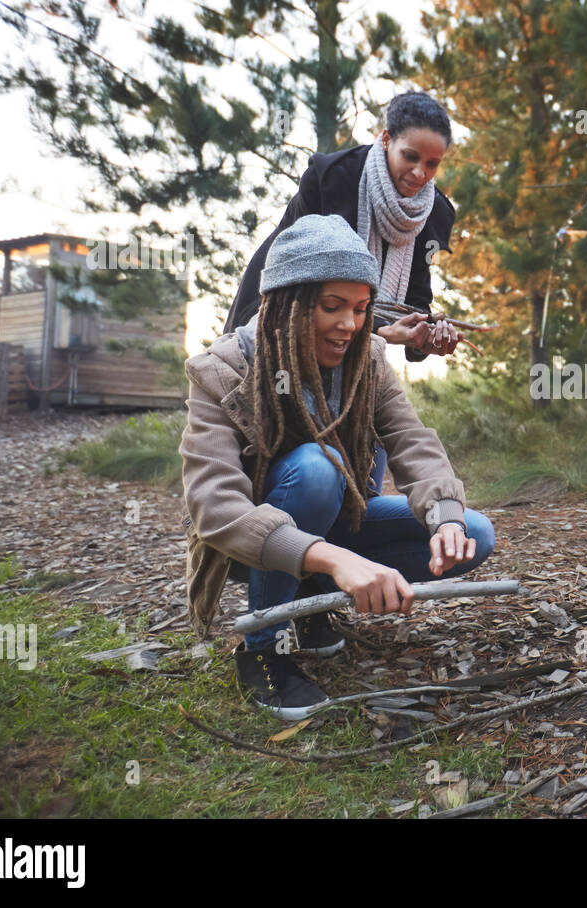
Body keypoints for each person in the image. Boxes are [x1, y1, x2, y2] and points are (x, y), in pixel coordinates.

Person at [180, 213, 495, 720]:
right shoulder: (222, 370)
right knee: (317, 467)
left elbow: (411, 438)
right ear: (287, 302)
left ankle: (313, 601)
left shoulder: (367, 359)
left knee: (476, 531)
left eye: (361, 308)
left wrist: (446, 516)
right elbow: (214, 508)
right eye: (332, 307)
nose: (349, 324)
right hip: (252, 543)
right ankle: (263, 649)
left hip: (336, 521)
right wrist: (335, 560)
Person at [224, 91, 462, 493]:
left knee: (361, 469)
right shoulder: (332, 177)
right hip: (282, 317)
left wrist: (424, 337)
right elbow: (304, 292)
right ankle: (275, 536)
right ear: (385, 139)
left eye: (433, 163)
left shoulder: (435, 212)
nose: (420, 173)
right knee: (299, 462)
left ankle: (354, 529)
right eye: (410, 156)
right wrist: (379, 330)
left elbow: (416, 302)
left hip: (356, 342)